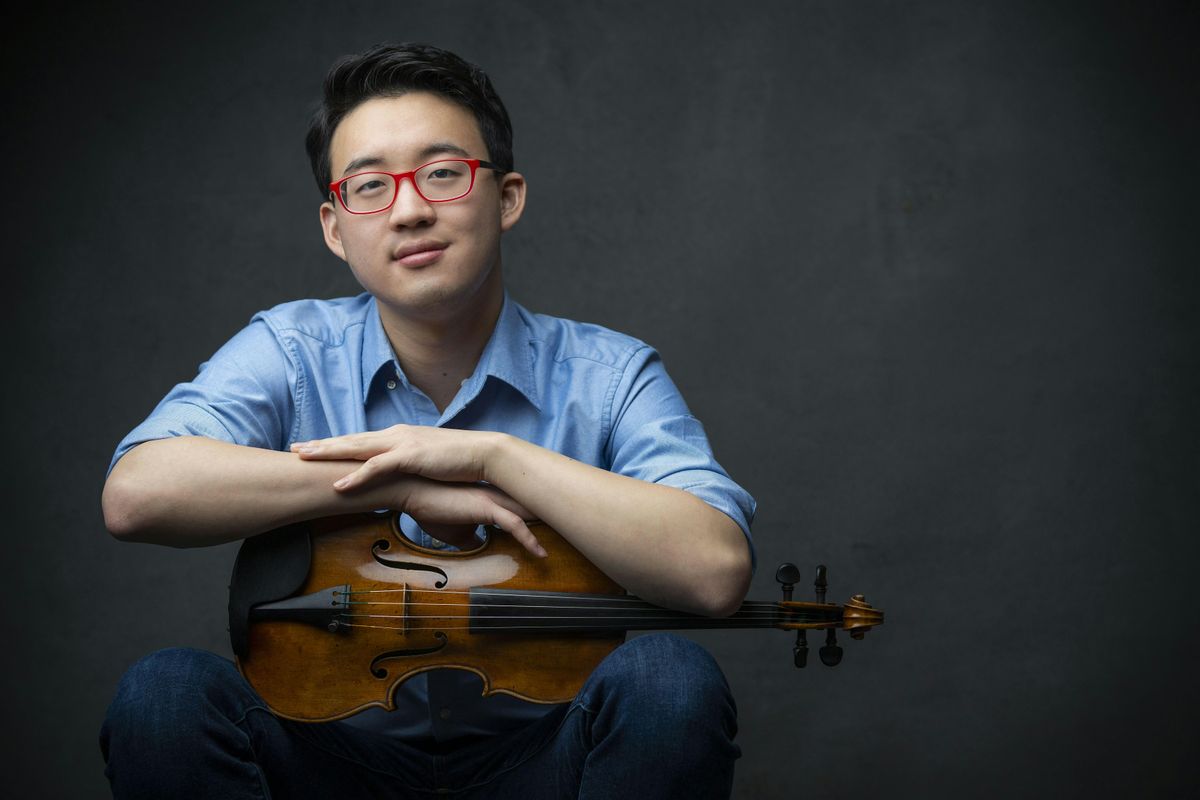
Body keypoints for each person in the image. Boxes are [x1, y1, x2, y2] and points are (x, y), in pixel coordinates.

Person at [100, 42, 756, 798]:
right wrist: (399, 482)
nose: (409, 210)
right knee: (164, 694)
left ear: (506, 198)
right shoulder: (291, 348)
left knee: (670, 677)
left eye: (443, 173)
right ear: (335, 228)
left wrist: (494, 457)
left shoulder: (609, 375)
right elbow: (136, 494)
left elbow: (715, 573)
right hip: (326, 764)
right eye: (370, 186)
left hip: (548, 762)